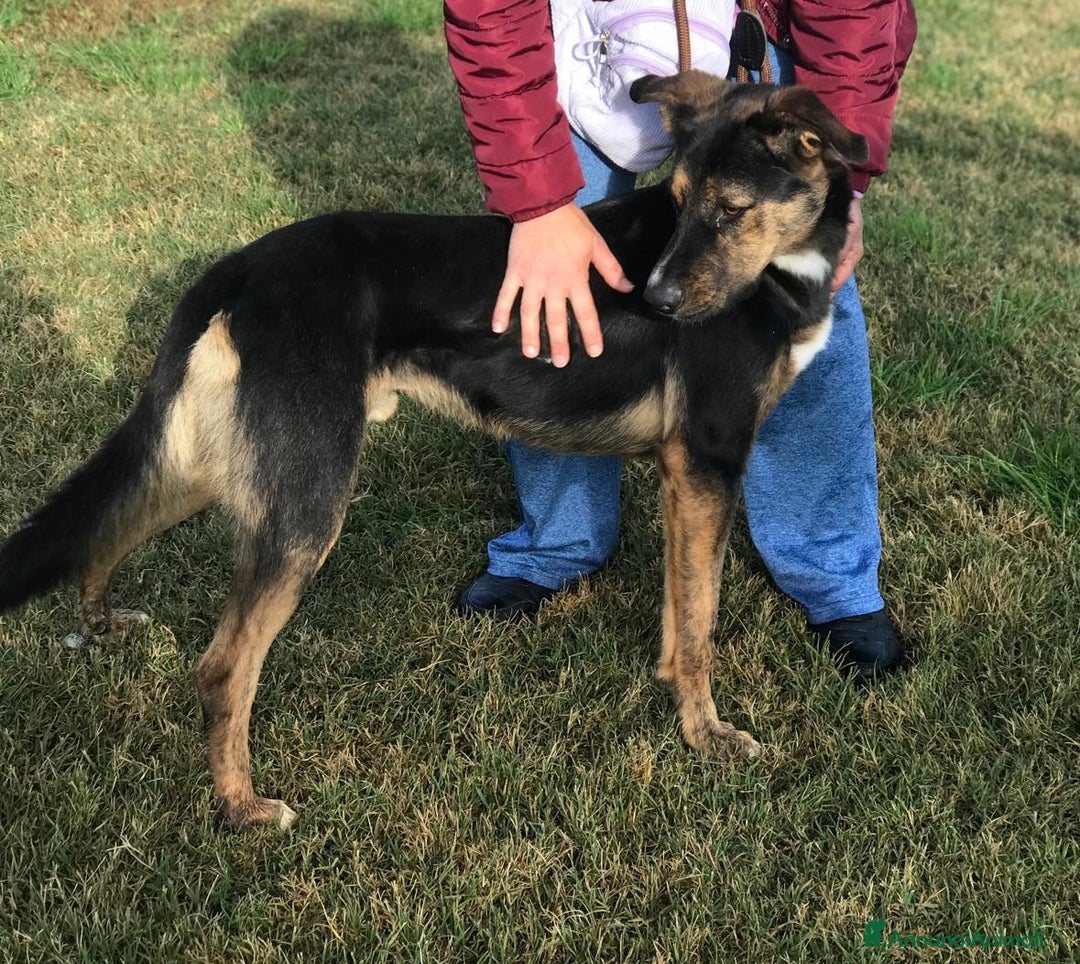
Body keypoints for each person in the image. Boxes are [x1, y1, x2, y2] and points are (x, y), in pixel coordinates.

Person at [443, 0, 916, 680]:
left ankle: (828, 566)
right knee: (558, 289)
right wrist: (537, 201)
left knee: (810, 303)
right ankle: (560, 538)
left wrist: (841, 182)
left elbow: (848, 12)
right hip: (580, 28)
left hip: (764, 21)